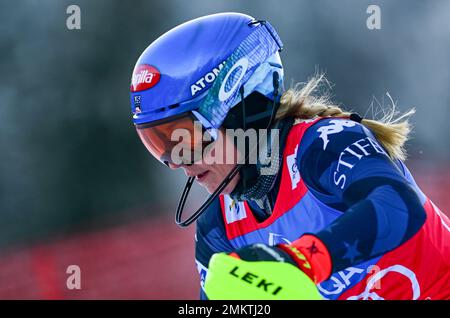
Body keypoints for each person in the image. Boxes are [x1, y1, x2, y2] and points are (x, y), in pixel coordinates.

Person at [129, 12, 450, 300]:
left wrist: (307, 259)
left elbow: (397, 205)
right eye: (161, 146)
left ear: (241, 111)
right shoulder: (218, 228)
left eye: (187, 137)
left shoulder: (323, 146)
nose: (180, 162)